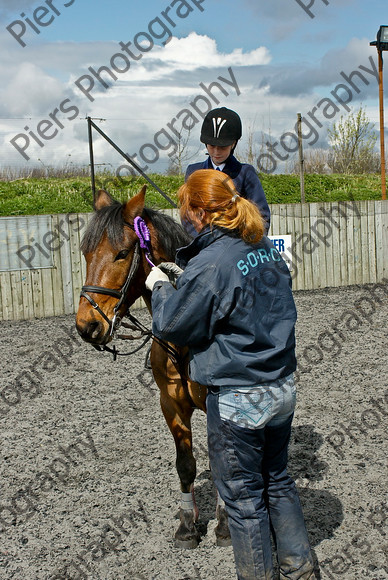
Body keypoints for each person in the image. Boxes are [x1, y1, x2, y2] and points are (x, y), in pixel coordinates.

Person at [145, 169, 317, 580]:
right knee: (277, 480)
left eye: (187, 210)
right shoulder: (265, 248)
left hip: (240, 397)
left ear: (201, 213)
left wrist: (161, 288)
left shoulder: (211, 262)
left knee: (243, 501)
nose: (184, 217)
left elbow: (172, 325)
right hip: (281, 386)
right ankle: (300, 569)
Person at [185, 107, 271, 234]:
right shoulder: (194, 172)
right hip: (203, 247)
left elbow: (262, 216)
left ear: (233, 144)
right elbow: (187, 216)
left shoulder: (246, 173)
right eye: (212, 146)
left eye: (222, 147)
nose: (216, 152)